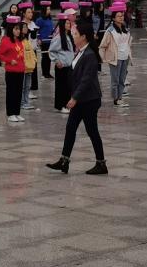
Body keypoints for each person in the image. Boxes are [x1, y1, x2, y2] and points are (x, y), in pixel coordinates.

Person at [46, 19, 107, 175]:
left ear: (84, 37)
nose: (73, 36)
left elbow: (86, 80)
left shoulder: (90, 55)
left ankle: (101, 163)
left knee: (92, 131)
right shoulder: (80, 52)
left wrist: (74, 98)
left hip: (89, 100)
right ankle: (64, 161)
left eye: (76, 34)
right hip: (80, 99)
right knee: (70, 128)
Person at [98, 6, 132, 108]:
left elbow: (127, 43)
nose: (121, 18)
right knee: (115, 80)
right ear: (113, 18)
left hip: (125, 57)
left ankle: (120, 97)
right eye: (119, 16)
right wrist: (102, 58)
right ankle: (116, 99)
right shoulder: (110, 31)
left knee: (122, 79)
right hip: (115, 59)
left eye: (122, 16)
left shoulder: (125, 29)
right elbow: (103, 45)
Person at [0, 16, 25, 123]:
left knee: (18, 92)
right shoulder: (6, 40)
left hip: (20, 70)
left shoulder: (19, 40)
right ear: (11, 29)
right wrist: (9, 61)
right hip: (11, 71)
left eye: (19, 29)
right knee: (11, 93)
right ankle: (10, 114)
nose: (18, 31)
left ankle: (17, 113)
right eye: (16, 29)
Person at [49, 13, 76, 113]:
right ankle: (61, 105)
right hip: (61, 66)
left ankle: (67, 104)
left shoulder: (68, 36)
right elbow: (51, 51)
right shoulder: (59, 37)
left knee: (68, 86)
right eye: (67, 23)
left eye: (69, 23)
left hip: (69, 66)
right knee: (61, 87)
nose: (69, 25)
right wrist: (56, 61)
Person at [36, 2, 54, 79]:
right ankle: (44, 73)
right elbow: (36, 30)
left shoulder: (49, 19)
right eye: (48, 9)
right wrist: (39, 39)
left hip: (50, 40)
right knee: (45, 57)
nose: (49, 10)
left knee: (49, 57)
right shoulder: (40, 20)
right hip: (44, 41)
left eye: (49, 9)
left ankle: (48, 72)